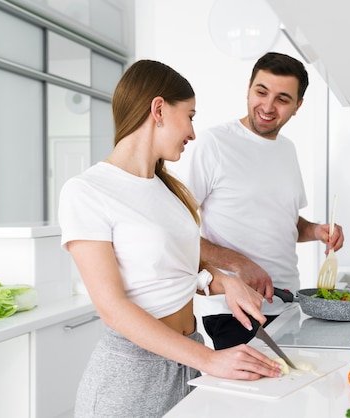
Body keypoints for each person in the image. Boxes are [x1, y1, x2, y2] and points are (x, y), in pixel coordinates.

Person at [58, 59, 281, 418]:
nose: (193, 132)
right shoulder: (87, 191)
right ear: (158, 109)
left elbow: (172, 267)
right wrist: (210, 359)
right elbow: (112, 308)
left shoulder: (169, 190)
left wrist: (223, 282)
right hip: (132, 378)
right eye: (190, 116)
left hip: (188, 356)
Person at [177, 52, 344, 350]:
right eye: (261, 92)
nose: (267, 106)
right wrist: (239, 263)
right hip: (234, 311)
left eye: (282, 98)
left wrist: (317, 231)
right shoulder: (213, 144)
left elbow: (286, 220)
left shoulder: (287, 149)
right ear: (248, 89)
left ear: (297, 106)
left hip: (286, 305)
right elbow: (176, 231)